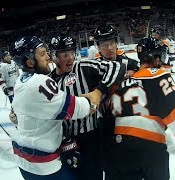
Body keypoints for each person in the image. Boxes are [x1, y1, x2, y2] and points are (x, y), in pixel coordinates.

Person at [105, 37, 175, 180]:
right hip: (149, 148)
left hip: (118, 149)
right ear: (156, 58)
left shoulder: (122, 84)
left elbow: (107, 120)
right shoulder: (159, 75)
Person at [49, 35, 137, 180]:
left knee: (94, 175)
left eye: (72, 52)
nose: (70, 58)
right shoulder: (49, 81)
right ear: (54, 57)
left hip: (91, 136)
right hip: (64, 141)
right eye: (65, 54)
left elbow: (116, 67)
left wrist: (99, 91)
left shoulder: (83, 67)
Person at [9, 36, 96, 180]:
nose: (48, 57)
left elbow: (18, 111)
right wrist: (94, 98)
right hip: (42, 164)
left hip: (24, 159)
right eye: (42, 54)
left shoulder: (21, 80)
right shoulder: (40, 81)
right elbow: (75, 109)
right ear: (30, 62)